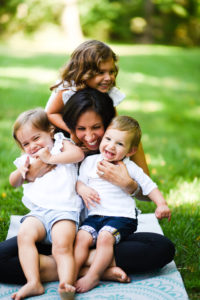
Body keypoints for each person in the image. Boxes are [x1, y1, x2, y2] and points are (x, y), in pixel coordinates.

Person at [0, 88, 175, 287]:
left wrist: (128, 185)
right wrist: (36, 167)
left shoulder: (121, 142)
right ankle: (90, 269)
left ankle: (73, 266)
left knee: (161, 247)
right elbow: (25, 173)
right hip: (59, 229)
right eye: (81, 128)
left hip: (104, 230)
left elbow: (146, 190)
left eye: (97, 127)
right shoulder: (54, 145)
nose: (90, 136)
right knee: (2, 259)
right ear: (69, 126)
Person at [74, 115, 171, 292]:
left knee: (104, 238)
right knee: (81, 238)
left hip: (121, 217)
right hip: (94, 216)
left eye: (119, 144)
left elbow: (149, 186)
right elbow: (79, 182)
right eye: (108, 139)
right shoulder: (89, 162)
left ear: (131, 151)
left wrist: (161, 204)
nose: (111, 146)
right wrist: (82, 189)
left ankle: (93, 276)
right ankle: (72, 272)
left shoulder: (129, 167)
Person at [9, 108, 84, 300]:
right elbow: (13, 182)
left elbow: (78, 155)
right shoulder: (27, 159)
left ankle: (67, 283)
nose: (32, 146)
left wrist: (51, 158)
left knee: (61, 245)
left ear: (50, 131)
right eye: (25, 143)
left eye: (36, 138)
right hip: (39, 213)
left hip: (65, 212)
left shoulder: (61, 144)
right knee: (24, 235)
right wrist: (21, 171)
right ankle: (33, 282)